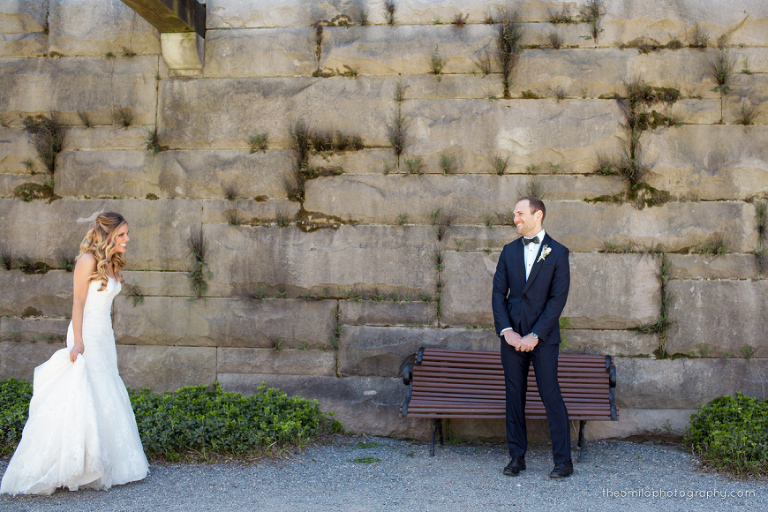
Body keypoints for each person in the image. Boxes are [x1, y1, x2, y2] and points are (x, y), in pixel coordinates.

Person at [1, 212, 149, 495]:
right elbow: (79, 302)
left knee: (105, 388)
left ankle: (111, 462)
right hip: (86, 334)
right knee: (84, 390)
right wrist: (78, 341)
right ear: (107, 236)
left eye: (126, 234)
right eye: (121, 235)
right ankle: (75, 464)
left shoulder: (112, 263)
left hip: (104, 336)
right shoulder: (87, 261)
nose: (127, 239)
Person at [491, 197, 573, 478]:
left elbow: (557, 299)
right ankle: (517, 457)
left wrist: (535, 334)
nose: (515, 219)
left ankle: (563, 461)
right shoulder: (508, 251)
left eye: (520, 214)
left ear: (538, 215)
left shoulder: (559, 252)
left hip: (544, 339)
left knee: (551, 395)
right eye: (514, 214)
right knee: (514, 396)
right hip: (512, 339)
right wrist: (508, 332)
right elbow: (498, 295)